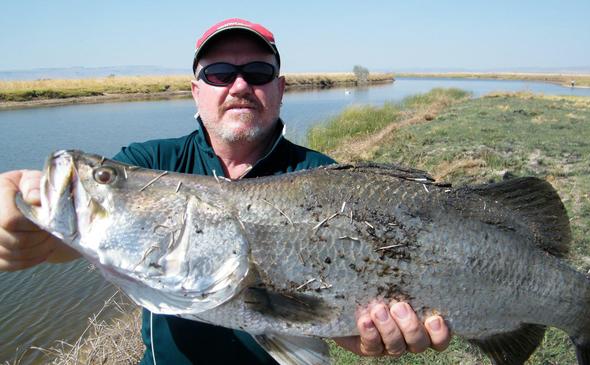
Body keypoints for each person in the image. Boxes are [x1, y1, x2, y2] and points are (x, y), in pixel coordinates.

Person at [0, 18, 451, 364]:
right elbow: (70, 244)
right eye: (218, 73)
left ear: (280, 88)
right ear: (196, 91)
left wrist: (362, 337)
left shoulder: (327, 179)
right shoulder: (150, 163)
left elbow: (326, 325)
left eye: (257, 72)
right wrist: (22, 229)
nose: (239, 86)